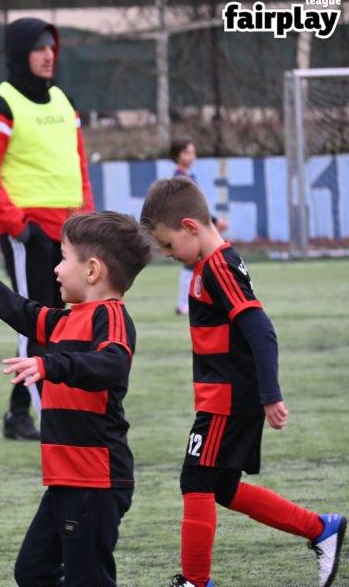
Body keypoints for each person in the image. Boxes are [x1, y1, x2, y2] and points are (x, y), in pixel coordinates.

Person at [140, 177, 345, 587]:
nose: (167, 253)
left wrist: (271, 395)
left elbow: (261, 329)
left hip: (227, 400)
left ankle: (195, 582)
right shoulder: (213, 263)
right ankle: (321, 528)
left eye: (168, 244)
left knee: (196, 480)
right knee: (223, 486)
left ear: (190, 227)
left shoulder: (218, 266)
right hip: (224, 397)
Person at [0, 211, 152, 586]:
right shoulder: (65, 320)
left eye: (63, 258)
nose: (56, 269)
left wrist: (50, 365)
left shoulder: (110, 317)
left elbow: (111, 364)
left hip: (95, 481)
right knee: (32, 572)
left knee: (87, 580)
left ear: (92, 270)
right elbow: (13, 307)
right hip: (67, 479)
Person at [0, 17, 95, 440]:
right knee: (34, 321)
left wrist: (88, 221)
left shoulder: (64, 101)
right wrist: (19, 227)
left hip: (70, 232)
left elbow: (79, 167)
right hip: (30, 235)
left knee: (60, 321)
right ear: (20, 54)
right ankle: (47, 419)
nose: (48, 55)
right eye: (39, 48)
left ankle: (20, 412)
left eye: (51, 47)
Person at [170, 138, 227, 315]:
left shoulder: (189, 176)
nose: (192, 156)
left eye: (193, 152)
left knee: (198, 263)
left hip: (193, 224)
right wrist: (213, 221)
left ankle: (192, 301)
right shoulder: (180, 178)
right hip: (187, 226)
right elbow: (190, 205)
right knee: (193, 263)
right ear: (177, 156)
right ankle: (184, 304)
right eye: (187, 152)